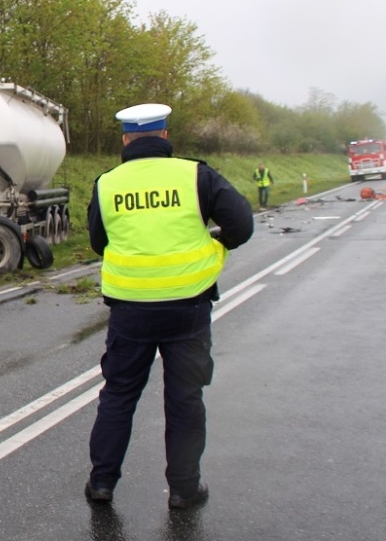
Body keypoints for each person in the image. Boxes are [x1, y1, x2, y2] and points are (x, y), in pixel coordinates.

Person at [84, 103, 254, 510]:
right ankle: (183, 488)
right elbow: (242, 224)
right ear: (164, 137)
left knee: (119, 396)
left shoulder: (107, 183)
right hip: (188, 309)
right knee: (184, 399)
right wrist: (217, 242)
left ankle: (102, 483)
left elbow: (97, 242)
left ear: (126, 140)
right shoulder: (195, 175)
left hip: (130, 310)